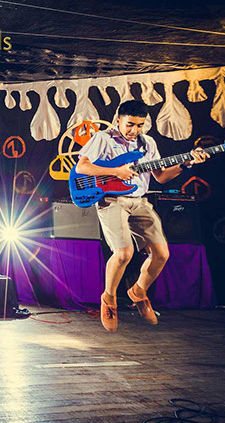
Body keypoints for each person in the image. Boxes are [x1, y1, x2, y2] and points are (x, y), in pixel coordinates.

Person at [76, 100, 209, 332]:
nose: (134, 130)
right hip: (111, 200)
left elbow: (161, 177)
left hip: (139, 201)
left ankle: (138, 292)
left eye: (139, 125)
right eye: (130, 124)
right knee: (123, 254)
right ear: (118, 119)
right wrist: (116, 171)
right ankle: (108, 298)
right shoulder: (103, 139)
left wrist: (186, 163)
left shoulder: (148, 143)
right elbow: (82, 168)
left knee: (162, 254)